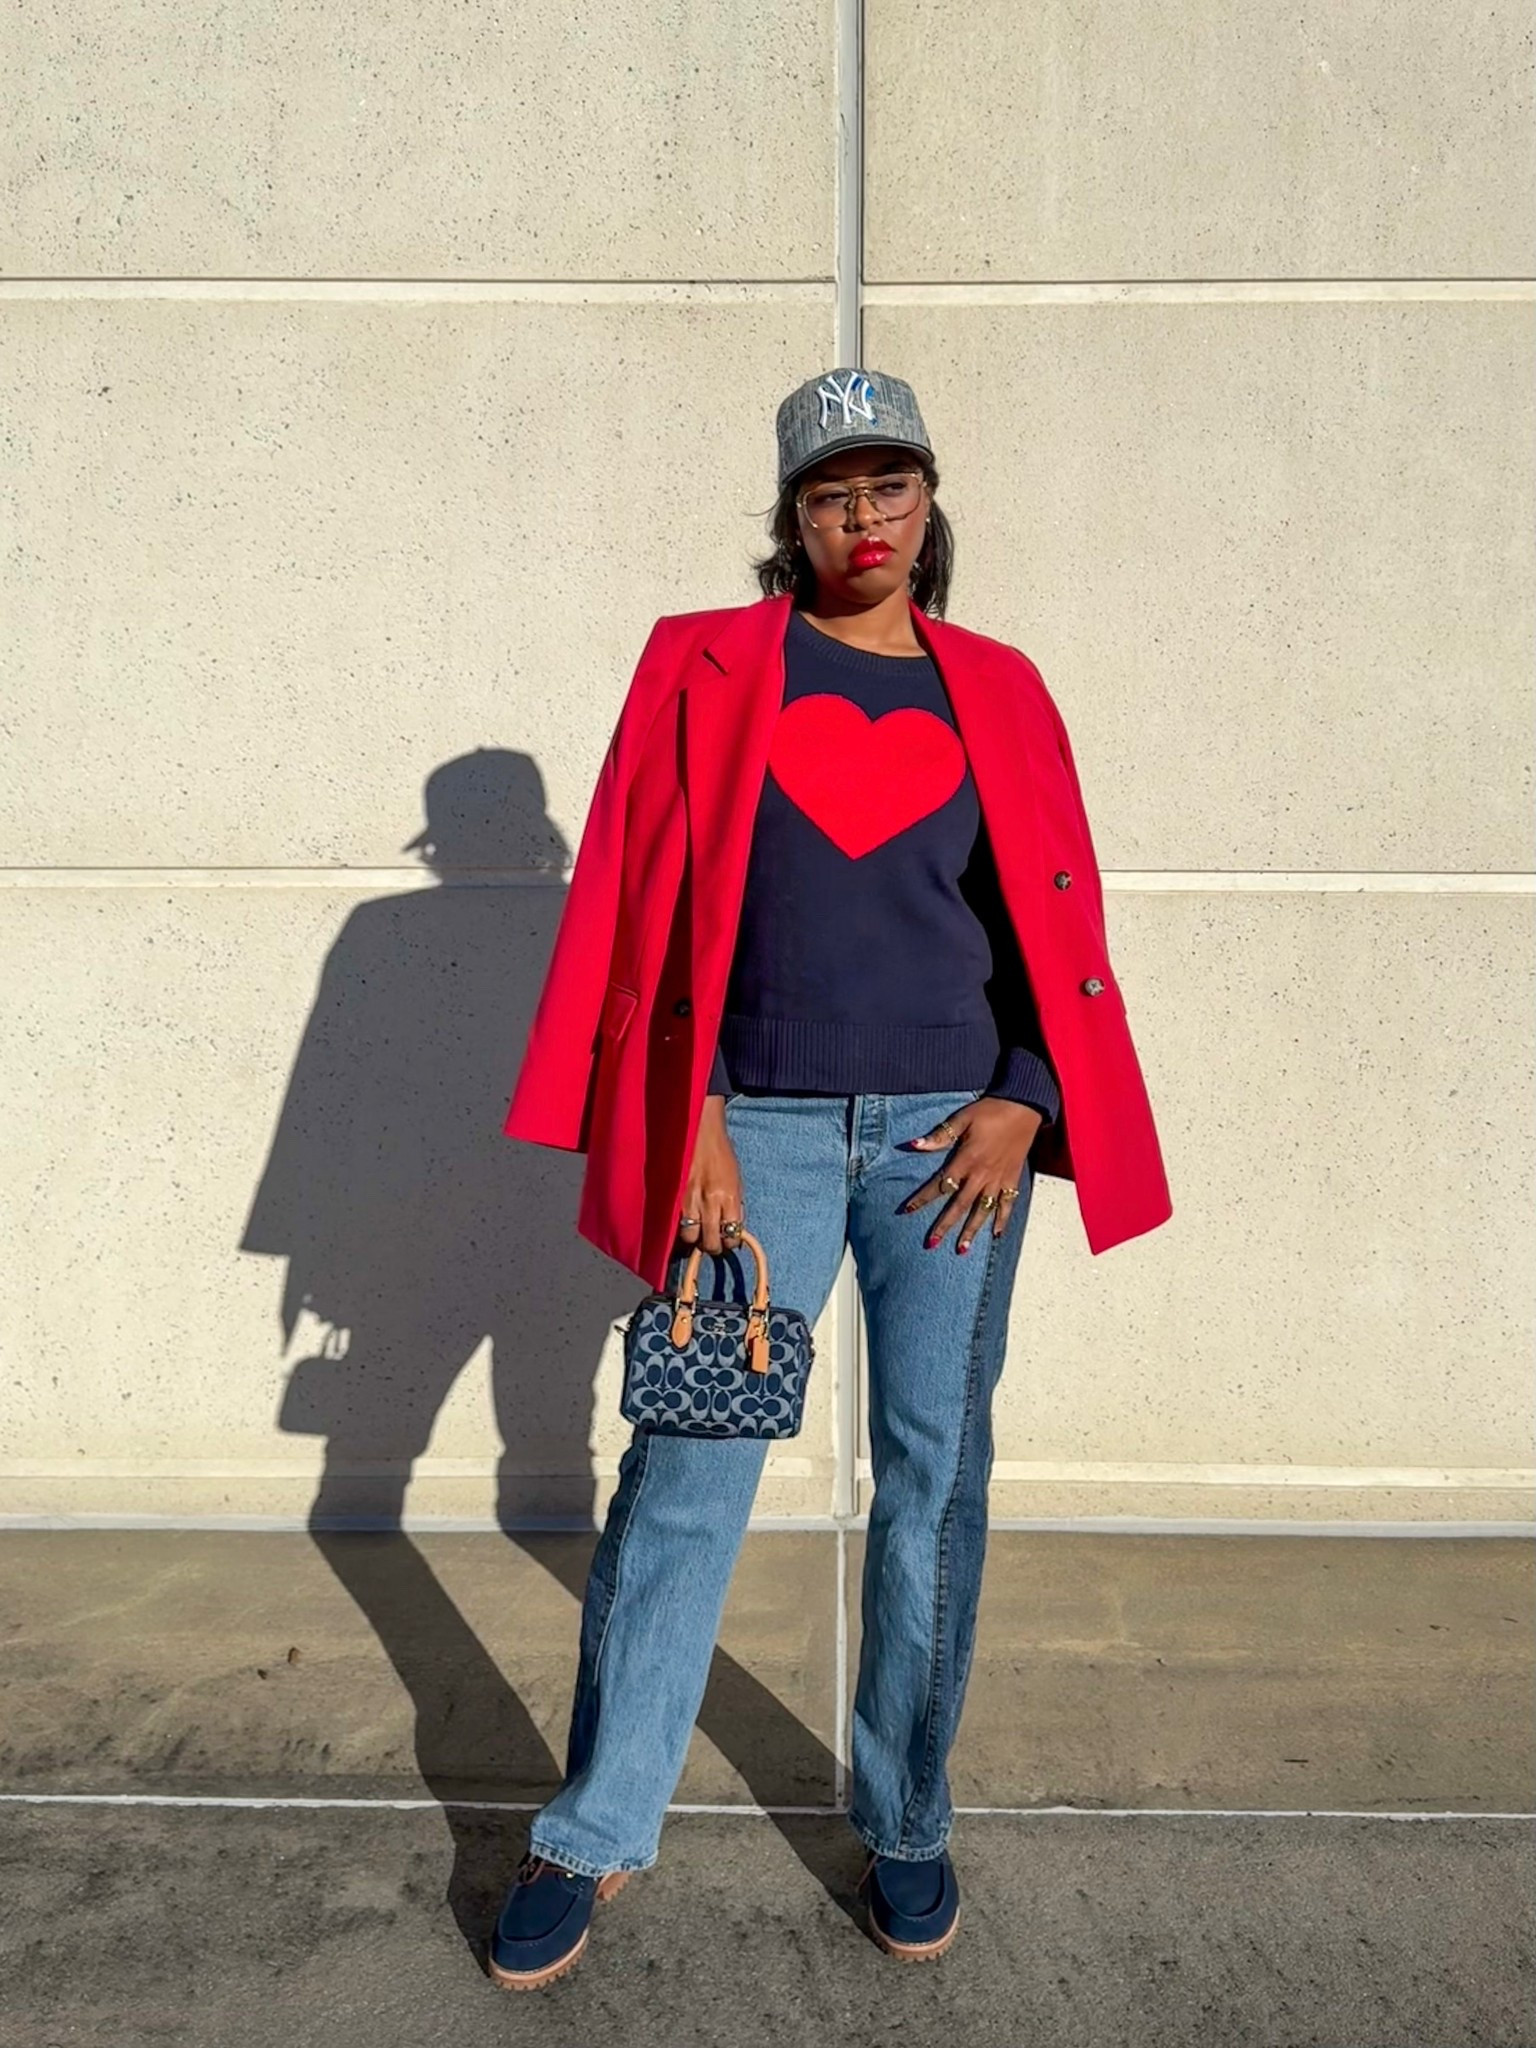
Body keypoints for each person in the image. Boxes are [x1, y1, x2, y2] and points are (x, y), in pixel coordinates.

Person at [489, 367, 1172, 1988]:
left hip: (955, 1142)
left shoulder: (998, 686)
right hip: (762, 1135)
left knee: (934, 1476)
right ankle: (592, 1835)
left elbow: (1046, 923)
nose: (863, 520)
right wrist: (697, 1110)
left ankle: (909, 1818)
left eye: (892, 489)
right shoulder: (702, 664)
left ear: (931, 507)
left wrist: (1022, 1100)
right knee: (689, 1472)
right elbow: (656, 897)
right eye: (829, 494)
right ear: (787, 517)